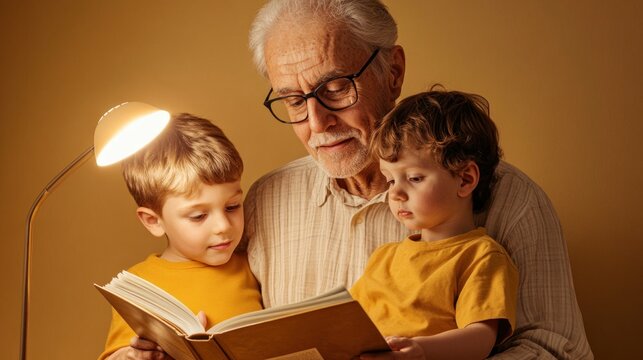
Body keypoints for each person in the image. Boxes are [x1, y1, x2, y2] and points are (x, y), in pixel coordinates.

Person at [243, 0, 593, 358]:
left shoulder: (514, 201)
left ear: (392, 72)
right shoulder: (262, 201)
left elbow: (554, 350)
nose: (317, 124)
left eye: (335, 88)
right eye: (294, 101)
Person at [350, 88, 519, 359]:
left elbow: (481, 337)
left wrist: (421, 350)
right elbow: (347, 323)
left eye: (415, 178)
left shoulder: (481, 256)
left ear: (465, 180)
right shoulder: (383, 258)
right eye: (391, 180)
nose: (395, 193)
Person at [98, 113, 262, 360]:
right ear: (153, 221)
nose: (223, 226)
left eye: (232, 206)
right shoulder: (136, 286)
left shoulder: (253, 263)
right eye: (198, 216)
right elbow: (118, 355)